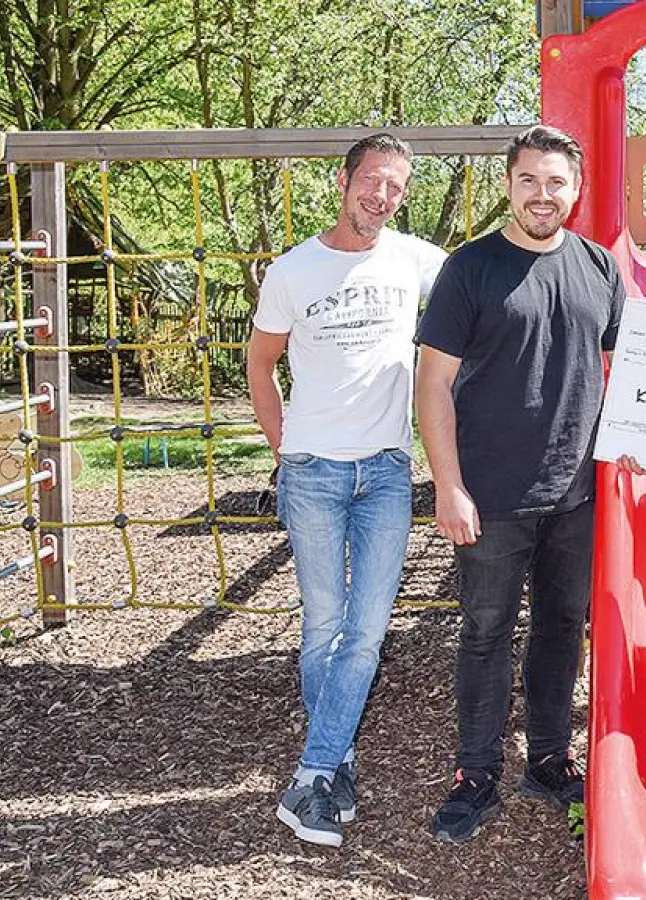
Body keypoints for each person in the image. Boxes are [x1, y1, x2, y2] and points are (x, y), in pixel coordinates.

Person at [415, 125, 624, 843]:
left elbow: (626, 374)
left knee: (563, 628)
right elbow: (433, 384)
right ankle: (475, 774)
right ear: (509, 184)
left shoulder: (599, 267)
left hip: (577, 495)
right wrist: (449, 486)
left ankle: (547, 758)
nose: (543, 194)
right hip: (491, 496)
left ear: (577, 190)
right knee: (484, 632)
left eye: (556, 182)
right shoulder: (469, 269)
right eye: (530, 180)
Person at [247, 132, 448, 848]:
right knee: (323, 628)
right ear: (343, 181)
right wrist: (284, 447)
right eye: (372, 181)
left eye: (395, 187)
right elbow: (261, 364)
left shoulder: (417, 260)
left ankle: (315, 773)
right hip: (314, 473)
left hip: (388, 471)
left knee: (366, 632)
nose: (382, 196)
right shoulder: (294, 271)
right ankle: (334, 766)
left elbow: (484, 285)